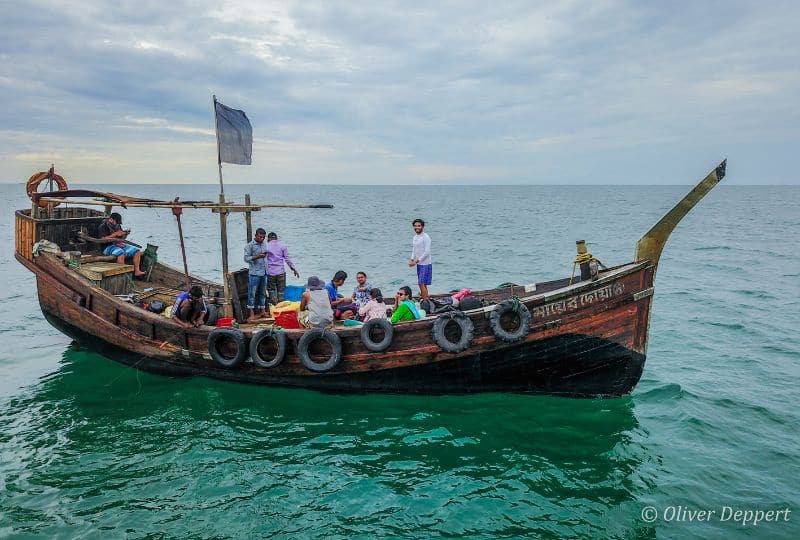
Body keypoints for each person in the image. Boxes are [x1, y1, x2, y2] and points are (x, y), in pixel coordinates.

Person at [98, 212, 146, 277]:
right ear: (111, 219)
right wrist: (115, 234)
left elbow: (122, 239)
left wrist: (125, 234)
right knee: (121, 253)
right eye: (116, 222)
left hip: (118, 244)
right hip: (107, 247)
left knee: (137, 251)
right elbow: (103, 240)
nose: (117, 224)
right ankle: (122, 274)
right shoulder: (103, 227)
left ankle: (137, 271)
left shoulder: (118, 226)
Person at [266, 232, 300, 304]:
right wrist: (294, 269)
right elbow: (287, 259)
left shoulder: (266, 246)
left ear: (268, 238)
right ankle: (281, 305)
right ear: (276, 238)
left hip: (270, 272)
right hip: (280, 272)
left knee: (271, 290)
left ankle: (274, 305)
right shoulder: (283, 246)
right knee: (281, 291)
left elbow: (263, 259)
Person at [243, 227, 269, 322]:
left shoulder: (264, 244)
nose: (261, 239)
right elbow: (246, 258)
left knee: (262, 293)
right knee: (252, 294)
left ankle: (262, 310)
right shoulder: (250, 246)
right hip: (254, 273)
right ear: (256, 235)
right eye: (260, 237)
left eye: (263, 237)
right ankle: (251, 313)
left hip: (264, 272)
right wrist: (258, 256)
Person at [408, 218, 431, 300]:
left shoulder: (426, 237)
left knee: (421, 283)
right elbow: (414, 249)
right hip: (419, 264)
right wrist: (411, 259)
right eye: (415, 226)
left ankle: (425, 301)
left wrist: (416, 261)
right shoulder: (415, 237)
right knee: (423, 284)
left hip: (425, 264)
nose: (417, 227)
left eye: (419, 226)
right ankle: (426, 299)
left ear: (422, 227)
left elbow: (427, 252)